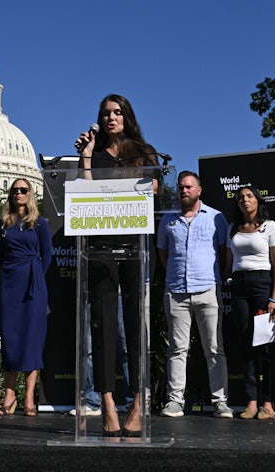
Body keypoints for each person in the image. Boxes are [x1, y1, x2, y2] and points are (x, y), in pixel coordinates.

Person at [73, 93, 159, 437]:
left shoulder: (143, 152)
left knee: (136, 326)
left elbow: (153, 188)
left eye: (117, 112)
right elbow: (86, 193)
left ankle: (138, 401)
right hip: (100, 249)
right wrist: (86, 157)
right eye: (106, 113)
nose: (111, 118)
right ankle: (107, 403)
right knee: (103, 326)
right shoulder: (93, 153)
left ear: (127, 117)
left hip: (134, 246)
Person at [156, 171, 233, 419]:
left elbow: (222, 252)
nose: (184, 191)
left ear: (199, 190)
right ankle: (175, 401)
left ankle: (220, 402)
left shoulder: (215, 218)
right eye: (180, 187)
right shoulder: (167, 220)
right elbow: (163, 254)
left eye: (189, 187)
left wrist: (213, 278)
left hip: (208, 289)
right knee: (177, 349)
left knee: (214, 348)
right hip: (176, 291)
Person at [0, 178, 53, 417]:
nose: (19, 193)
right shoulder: (2, 224)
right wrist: (13, 273)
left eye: (23, 190)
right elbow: (0, 254)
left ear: (30, 194)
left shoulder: (39, 224)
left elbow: (47, 255)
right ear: (10, 195)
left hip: (33, 286)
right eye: (15, 190)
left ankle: (29, 397)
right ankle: (9, 394)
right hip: (9, 284)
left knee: (32, 338)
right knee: (10, 338)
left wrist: (35, 275)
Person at [224, 186, 275, 420]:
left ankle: (268, 403)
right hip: (239, 286)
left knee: (267, 347)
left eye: (249, 196)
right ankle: (251, 402)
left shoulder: (271, 226)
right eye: (240, 198)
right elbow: (229, 263)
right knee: (246, 344)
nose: (245, 200)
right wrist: (226, 281)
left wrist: (274, 298)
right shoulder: (233, 229)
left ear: (258, 200)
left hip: (263, 283)